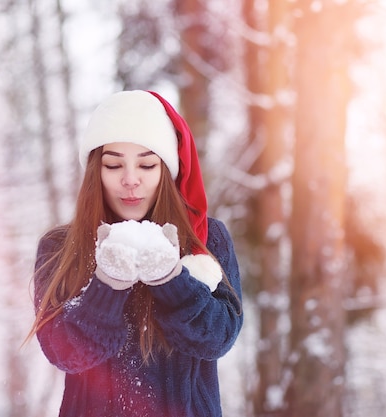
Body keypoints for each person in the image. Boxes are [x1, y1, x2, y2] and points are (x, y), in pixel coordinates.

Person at [30, 90, 243, 417]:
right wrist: (107, 285)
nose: (130, 179)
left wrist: (172, 281)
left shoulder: (207, 239)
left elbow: (218, 339)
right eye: (114, 165)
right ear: (95, 172)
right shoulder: (60, 247)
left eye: (146, 164)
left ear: (166, 171)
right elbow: (64, 352)